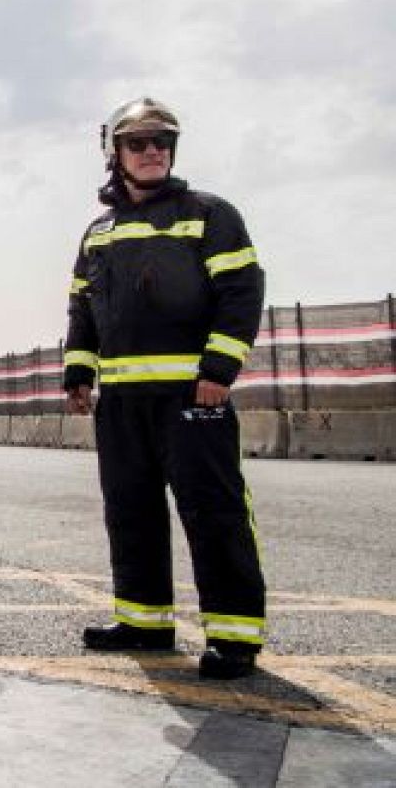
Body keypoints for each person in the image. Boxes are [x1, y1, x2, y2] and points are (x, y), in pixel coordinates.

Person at [64, 98, 267, 680]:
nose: (153, 150)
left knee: (214, 512)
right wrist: (79, 371)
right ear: (115, 154)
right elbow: (83, 308)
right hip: (122, 402)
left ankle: (234, 637)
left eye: (162, 141)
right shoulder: (98, 232)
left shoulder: (210, 213)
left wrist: (218, 372)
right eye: (138, 142)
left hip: (191, 397)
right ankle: (144, 622)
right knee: (130, 511)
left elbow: (241, 294)